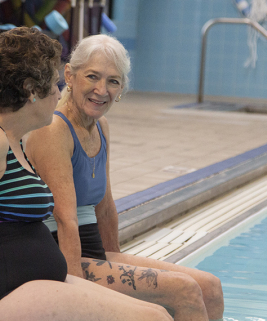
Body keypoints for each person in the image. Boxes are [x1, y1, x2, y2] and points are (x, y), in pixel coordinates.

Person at [0, 27, 172, 321]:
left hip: (20, 283)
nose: (60, 92)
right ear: (32, 91)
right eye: (55, 84)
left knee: (157, 312)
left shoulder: (11, 137)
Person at [24, 34, 225, 321]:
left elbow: (105, 209)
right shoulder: (55, 130)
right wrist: (76, 293)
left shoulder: (100, 127)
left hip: (94, 252)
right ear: (70, 75)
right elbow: (66, 220)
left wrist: (116, 265)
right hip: (59, 256)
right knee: (184, 290)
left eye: (113, 81)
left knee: (210, 287)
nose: (101, 90)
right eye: (92, 76)